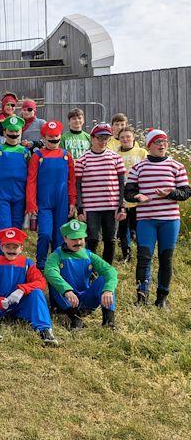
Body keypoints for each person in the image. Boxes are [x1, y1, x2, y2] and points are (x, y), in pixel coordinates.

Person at [125, 129, 190, 308]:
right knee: (144, 258)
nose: (162, 145)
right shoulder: (138, 167)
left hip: (170, 220)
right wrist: (138, 197)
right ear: (149, 146)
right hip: (146, 220)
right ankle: (141, 297)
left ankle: (161, 298)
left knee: (165, 258)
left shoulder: (177, 166)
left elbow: (185, 192)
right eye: (157, 142)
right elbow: (128, 192)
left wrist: (170, 193)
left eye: (164, 142)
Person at [0, 227, 58, 346]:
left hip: (21, 306)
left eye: (15, 247)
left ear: (21, 248)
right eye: (7, 246)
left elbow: (40, 282)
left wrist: (22, 290)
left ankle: (45, 330)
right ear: (1, 247)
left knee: (37, 293)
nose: (11, 250)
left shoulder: (27, 263)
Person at [44, 219, 117, 330]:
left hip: (84, 300)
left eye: (80, 238)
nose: (78, 242)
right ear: (65, 238)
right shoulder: (57, 255)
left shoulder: (89, 255)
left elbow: (110, 270)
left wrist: (108, 289)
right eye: (73, 239)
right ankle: (75, 319)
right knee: (53, 282)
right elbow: (50, 272)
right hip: (65, 300)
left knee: (105, 279)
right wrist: (67, 290)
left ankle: (109, 321)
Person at [26, 120, 77, 269]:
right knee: (45, 234)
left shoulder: (66, 156)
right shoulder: (37, 156)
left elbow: (71, 181)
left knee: (59, 236)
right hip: (44, 203)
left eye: (57, 137)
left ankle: (56, 264)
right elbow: (31, 181)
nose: (54, 141)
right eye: (50, 138)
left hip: (62, 202)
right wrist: (31, 204)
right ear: (44, 138)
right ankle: (40, 263)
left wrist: (72, 201)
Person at [75, 123, 126, 264]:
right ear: (92, 138)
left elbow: (122, 184)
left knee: (110, 239)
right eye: (100, 137)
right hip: (91, 207)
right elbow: (78, 185)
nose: (103, 141)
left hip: (111, 206)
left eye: (106, 138)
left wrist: (121, 205)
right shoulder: (82, 159)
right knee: (92, 239)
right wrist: (80, 207)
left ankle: (106, 269)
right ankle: (91, 269)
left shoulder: (116, 158)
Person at [0, 115, 30, 251]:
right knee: (4, 229)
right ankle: (0, 258)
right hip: (1, 198)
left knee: (16, 229)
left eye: (17, 131)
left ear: (20, 132)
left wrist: (30, 202)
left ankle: (15, 258)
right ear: (5, 132)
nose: (14, 134)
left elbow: (31, 178)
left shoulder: (25, 152)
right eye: (10, 131)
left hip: (20, 199)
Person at [117, 126, 147, 261]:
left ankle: (143, 253)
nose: (125, 139)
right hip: (121, 193)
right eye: (122, 137)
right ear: (119, 139)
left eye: (128, 136)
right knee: (123, 228)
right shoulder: (116, 154)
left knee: (138, 228)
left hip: (137, 193)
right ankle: (126, 254)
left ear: (133, 137)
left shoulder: (141, 152)